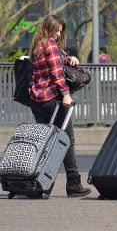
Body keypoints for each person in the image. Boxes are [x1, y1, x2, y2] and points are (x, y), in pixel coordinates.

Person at [29, 14, 91, 197]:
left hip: (37, 100)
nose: (58, 34)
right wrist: (65, 95)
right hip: (53, 99)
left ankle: (39, 183)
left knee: (45, 142)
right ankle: (73, 183)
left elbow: (51, 63)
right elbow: (57, 74)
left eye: (60, 31)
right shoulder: (50, 44)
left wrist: (68, 58)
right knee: (66, 141)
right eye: (56, 30)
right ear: (49, 28)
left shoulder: (37, 44)